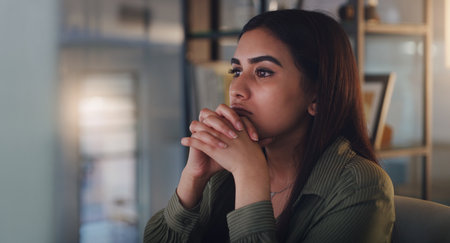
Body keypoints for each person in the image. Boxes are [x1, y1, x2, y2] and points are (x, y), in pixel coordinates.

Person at [144, 9, 395, 243]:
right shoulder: (222, 171)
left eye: (263, 72)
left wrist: (250, 174)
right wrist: (194, 178)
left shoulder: (360, 184)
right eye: (236, 70)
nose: (236, 89)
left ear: (317, 96)